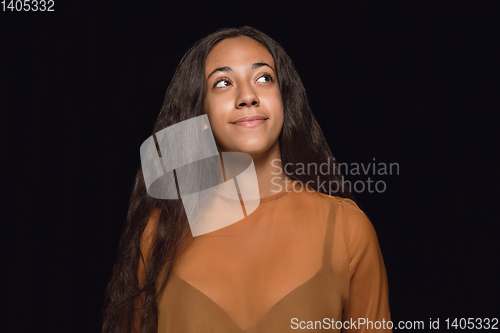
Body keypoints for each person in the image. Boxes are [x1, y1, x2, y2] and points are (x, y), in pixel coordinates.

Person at [102, 26, 391, 333]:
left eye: (264, 78)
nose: (248, 96)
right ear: (200, 114)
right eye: (223, 82)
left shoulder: (348, 229)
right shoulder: (160, 232)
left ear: (285, 100)